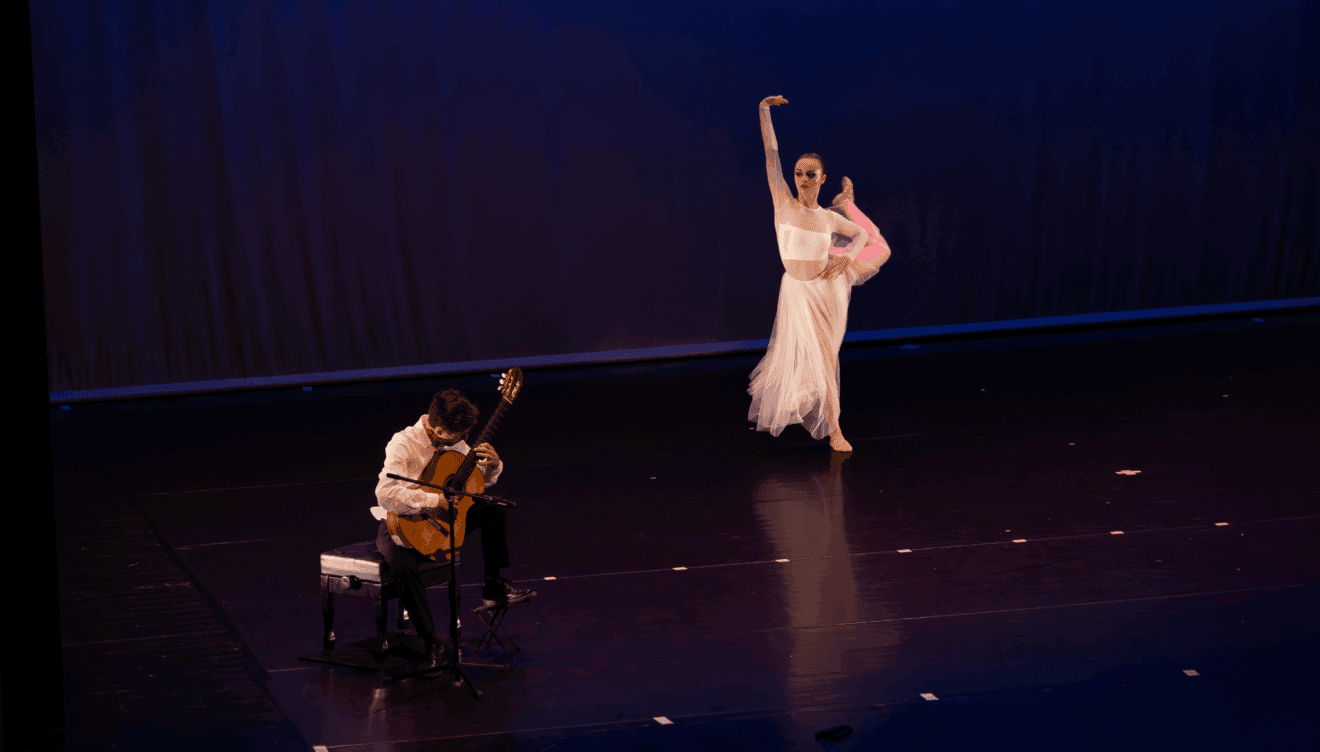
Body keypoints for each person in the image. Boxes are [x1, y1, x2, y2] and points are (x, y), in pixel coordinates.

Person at [749, 95, 892, 452]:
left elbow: (858, 236)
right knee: (814, 358)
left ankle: (835, 430)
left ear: (822, 178)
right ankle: (836, 430)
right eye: (798, 173)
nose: (802, 180)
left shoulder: (827, 219)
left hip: (828, 287)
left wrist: (848, 258)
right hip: (798, 292)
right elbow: (771, 154)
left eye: (810, 174)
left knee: (828, 358)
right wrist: (764, 112)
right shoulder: (783, 202)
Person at [372, 388, 535, 664]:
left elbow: (474, 482)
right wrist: (433, 499)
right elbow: (385, 494)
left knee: (493, 508)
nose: (462, 441)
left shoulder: (455, 441)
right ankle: (429, 641)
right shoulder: (403, 443)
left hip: (448, 517)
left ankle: (494, 587)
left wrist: (493, 466)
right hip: (403, 523)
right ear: (438, 428)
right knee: (403, 568)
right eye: (457, 436)